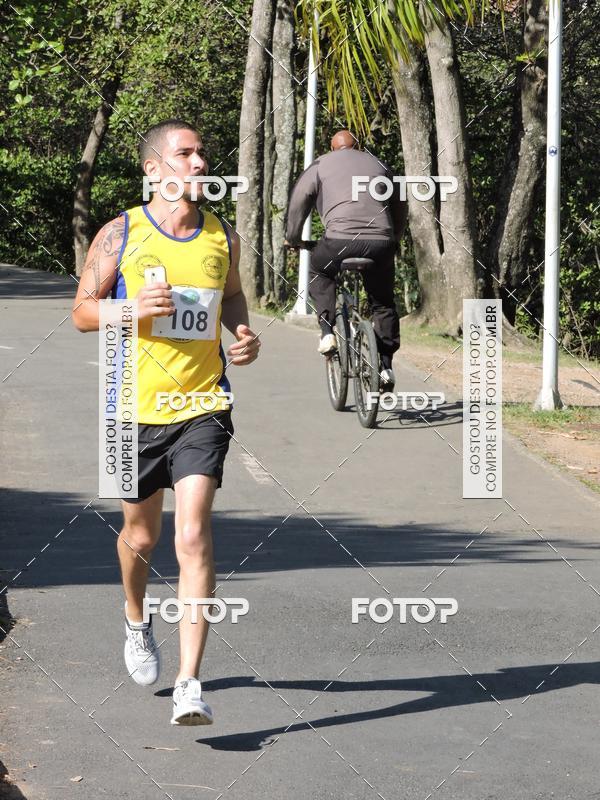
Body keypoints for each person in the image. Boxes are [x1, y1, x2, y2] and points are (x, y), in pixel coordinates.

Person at [72, 118, 260, 726]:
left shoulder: (221, 236)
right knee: (143, 539)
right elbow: (80, 312)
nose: (200, 163)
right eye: (186, 154)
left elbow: (230, 297)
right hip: (127, 408)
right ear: (154, 169)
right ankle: (135, 619)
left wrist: (243, 332)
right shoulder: (120, 232)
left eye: (203, 153)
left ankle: (190, 683)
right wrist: (129, 309)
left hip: (201, 406)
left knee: (192, 535)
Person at [285, 130, 407, 390]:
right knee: (383, 303)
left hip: (339, 240)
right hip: (381, 242)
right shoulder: (380, 165)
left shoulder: (320, 164)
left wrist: (293, 238)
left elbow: (298, 202)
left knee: (320, 271)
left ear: (332, 147)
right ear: (358, 147)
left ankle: (328, 332)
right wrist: (393, 237)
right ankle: (385, 366)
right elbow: (400, 203)